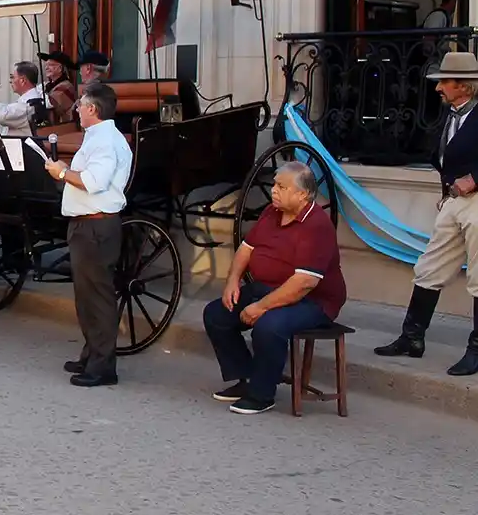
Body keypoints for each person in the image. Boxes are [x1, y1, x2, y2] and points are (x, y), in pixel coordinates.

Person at [202, 161, 347, 414]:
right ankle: (247, 379)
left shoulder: (317, 226)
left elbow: (303, 284)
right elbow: (246, 249)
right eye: (274, 185)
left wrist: (260, 307)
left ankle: (262, 394)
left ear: (302, 194)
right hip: (266, 287)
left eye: (281, 187)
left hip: (314, 301)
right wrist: (232, 281)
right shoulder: (272, 212)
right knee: (216, 314)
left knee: (269, 326)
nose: (273, 191)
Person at [375, 51, 478, 377]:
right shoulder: (451, 115)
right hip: (453, 202)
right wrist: (446, 192)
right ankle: (412, 337)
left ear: (465, 86)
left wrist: (474, 178)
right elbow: (444, 158)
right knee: (430, 267)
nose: (438, 89)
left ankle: (476, 350)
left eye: (444, 82)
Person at [44, 82, 131, 386]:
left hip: (96, 225)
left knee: (98, 296)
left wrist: (62, 173)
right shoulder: (98, 137)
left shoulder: (106, 140)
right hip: (86, 223)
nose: (76, 109)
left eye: (80, 104)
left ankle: (104, 365)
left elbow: (94, 180)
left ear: (92, 108)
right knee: (86, 296)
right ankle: (92, 354)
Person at [0, 61, 43, 137]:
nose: (10, 81)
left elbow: (2, 115)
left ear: (23, 80)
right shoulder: (30, 100)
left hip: (23, 148)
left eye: (12, 77)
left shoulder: (31, 103)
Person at [40, 51, 78, 124]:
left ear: (60, 68)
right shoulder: (49, 85)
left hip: (65, 128)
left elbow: (49, 103)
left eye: (50, 65)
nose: (46, 68)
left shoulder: (66, 86)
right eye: (46, 65)